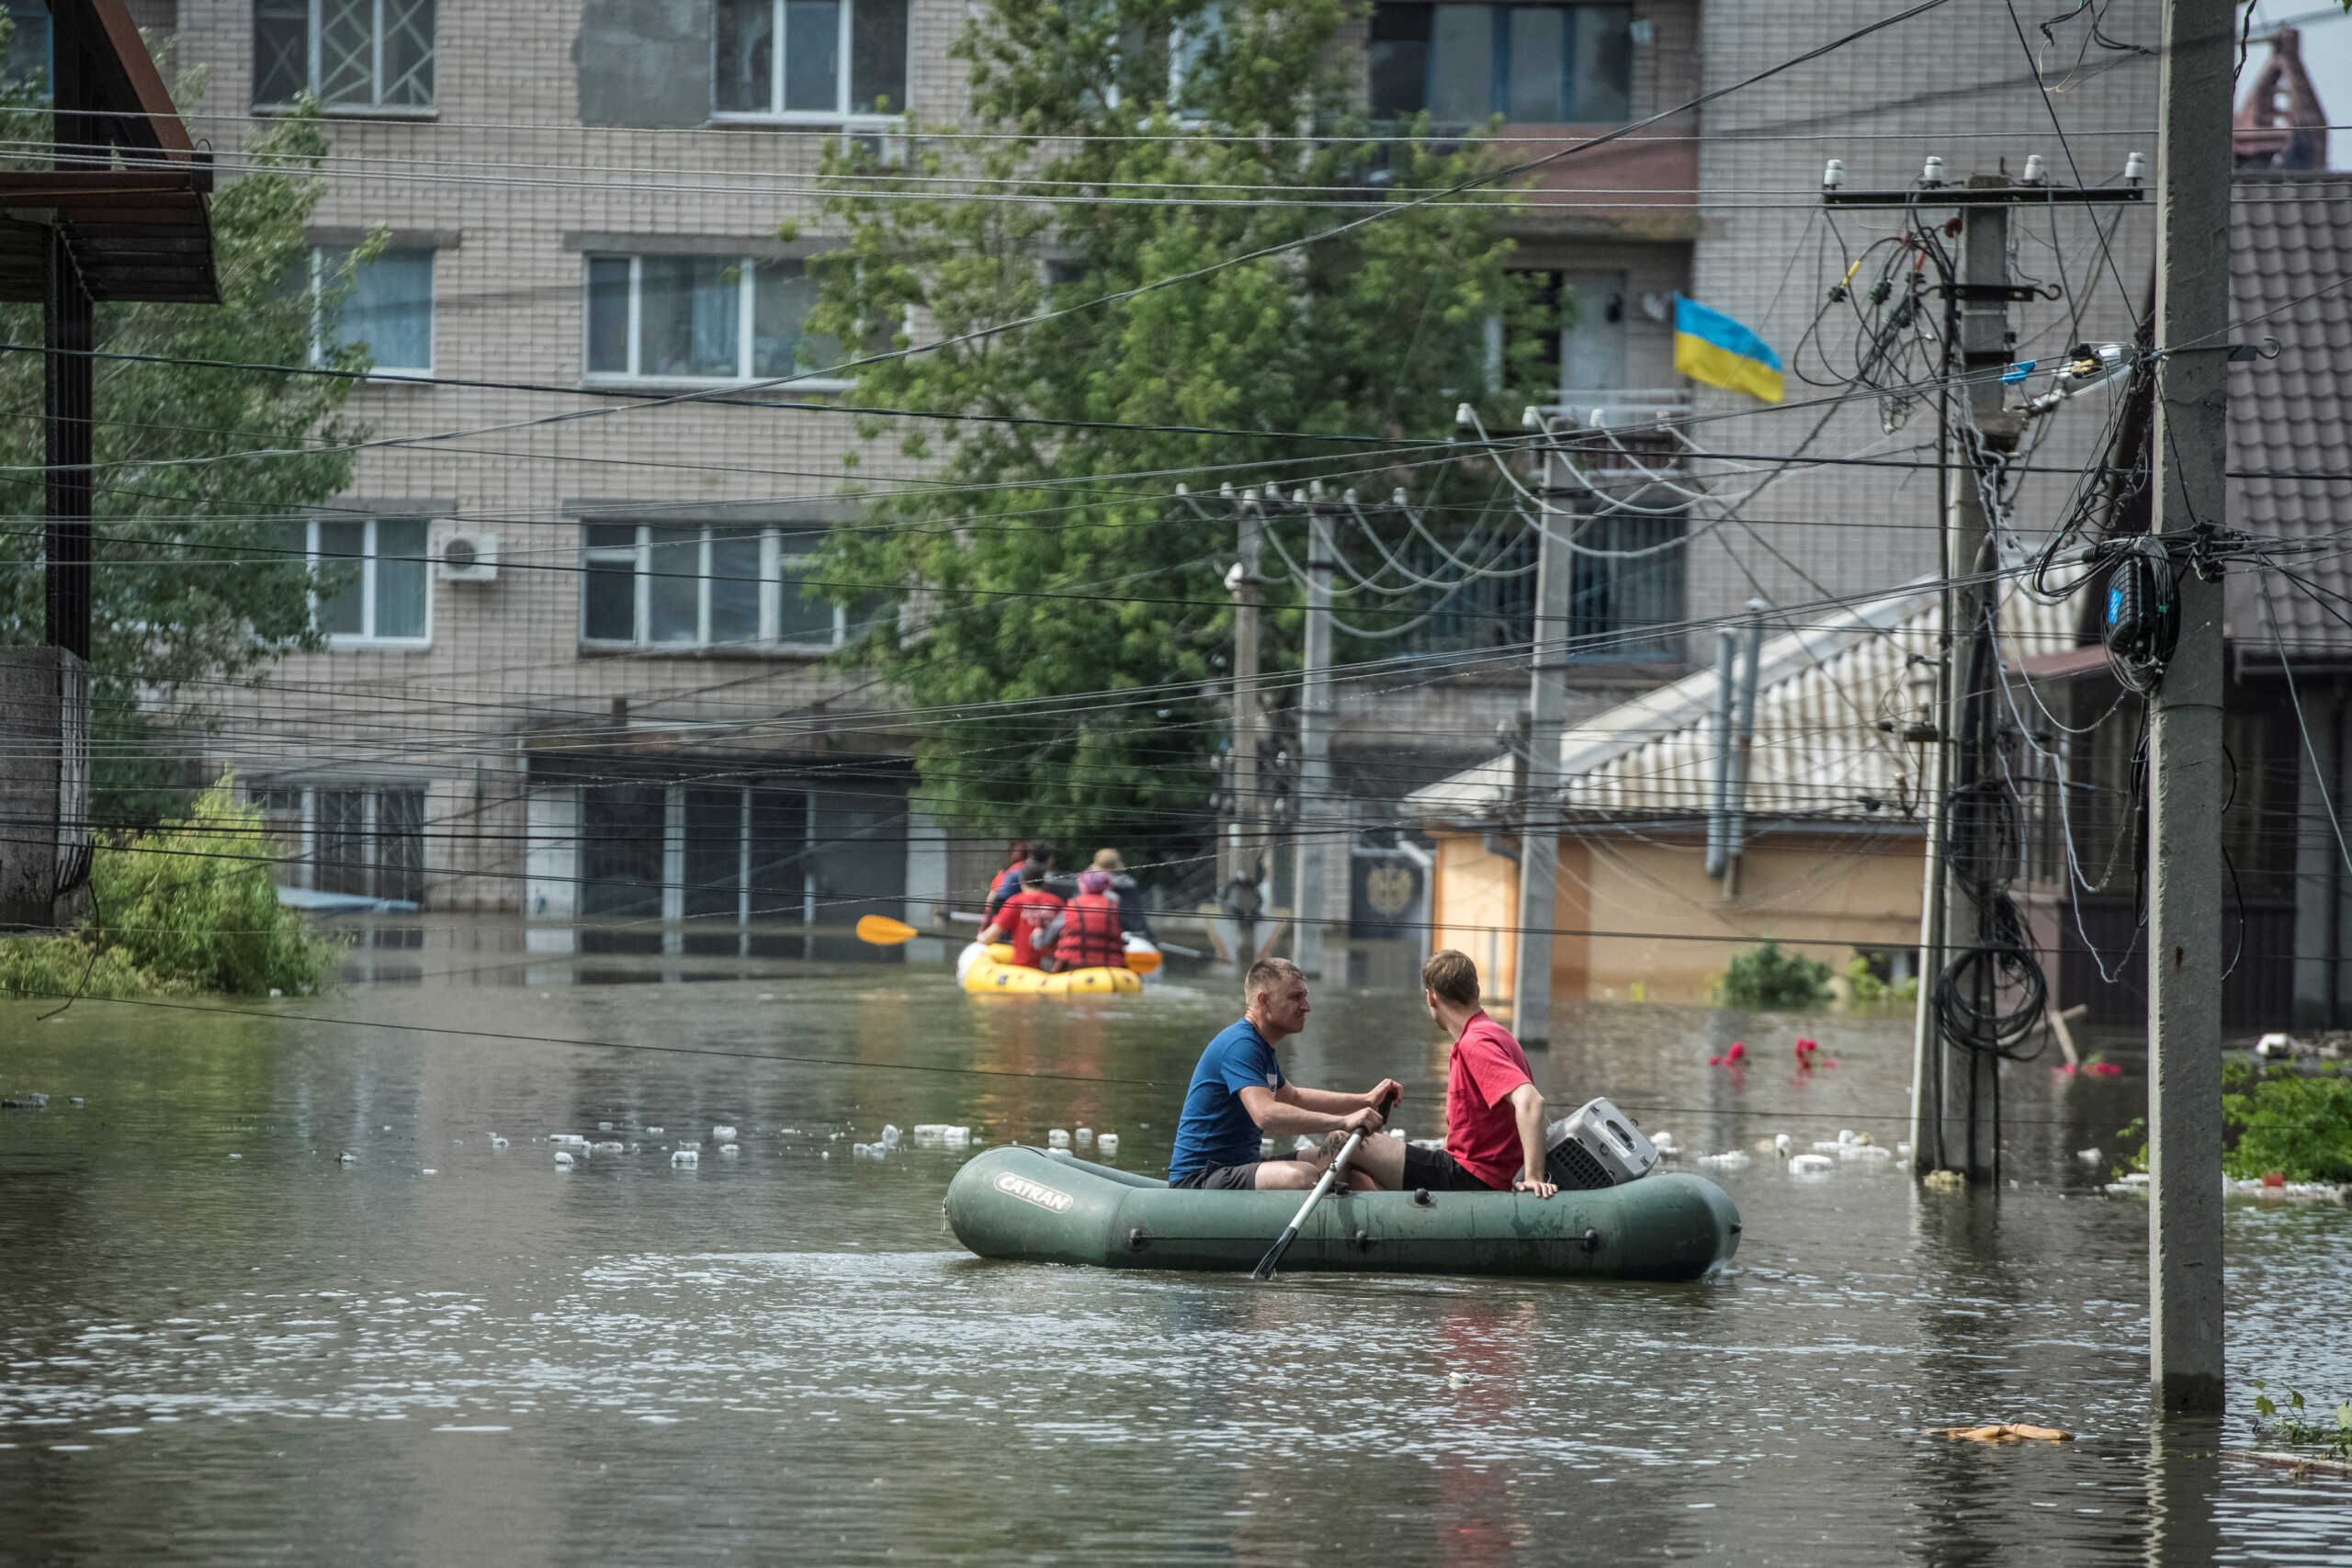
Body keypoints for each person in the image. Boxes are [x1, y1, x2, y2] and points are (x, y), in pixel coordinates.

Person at [1167, 957, 1404, 1190]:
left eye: (1305, 997)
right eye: (1295, 998)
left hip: (1243, 1166)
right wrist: (1343, 1121)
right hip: (1200, 1178)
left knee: (1344, 1150)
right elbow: (1266, 1115)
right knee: (1303, 1176)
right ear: (1264, 1001)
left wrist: (1366, 1100)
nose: (1306, 1007)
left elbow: (1294, 1098)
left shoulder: (1261, 1046)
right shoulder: (1240, 1045)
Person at [1411, 950, 1557, 1198]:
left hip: (1471, 1178)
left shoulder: (1476, 1043)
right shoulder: (1493, 1032)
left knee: (1357, 1145)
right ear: (1476, 991)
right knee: (1363, 1170)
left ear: (1431, 997)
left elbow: (1530, 1100)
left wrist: (1533, 1177)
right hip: (1467, 1167)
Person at [978, 860, 1063, 970]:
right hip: (1052, 971)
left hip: (1024, 970)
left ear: (1021, 880)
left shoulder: (1015, 902)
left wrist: (980, 938)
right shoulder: (1057, 902)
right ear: (1043, 881)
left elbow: (989, 936)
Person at [1043, 869, 1126, 973]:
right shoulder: (1115, 906)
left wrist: (1037, 937)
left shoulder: (1073, 905)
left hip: (1074, 966)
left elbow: (1048, 937)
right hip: (1109, 967)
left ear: (1083, 885)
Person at [1088, 848, 1155, 942]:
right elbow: (1138, 919)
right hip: (1133, 939)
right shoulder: (1129, 886)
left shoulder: (1089, 887)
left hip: (1100, 939)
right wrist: (1151, 939)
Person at [980, 840, 1032, 927]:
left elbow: (990, 902)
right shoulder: (1026, 869)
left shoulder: (1008, 873)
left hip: (1002, 915)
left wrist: (984, 925)